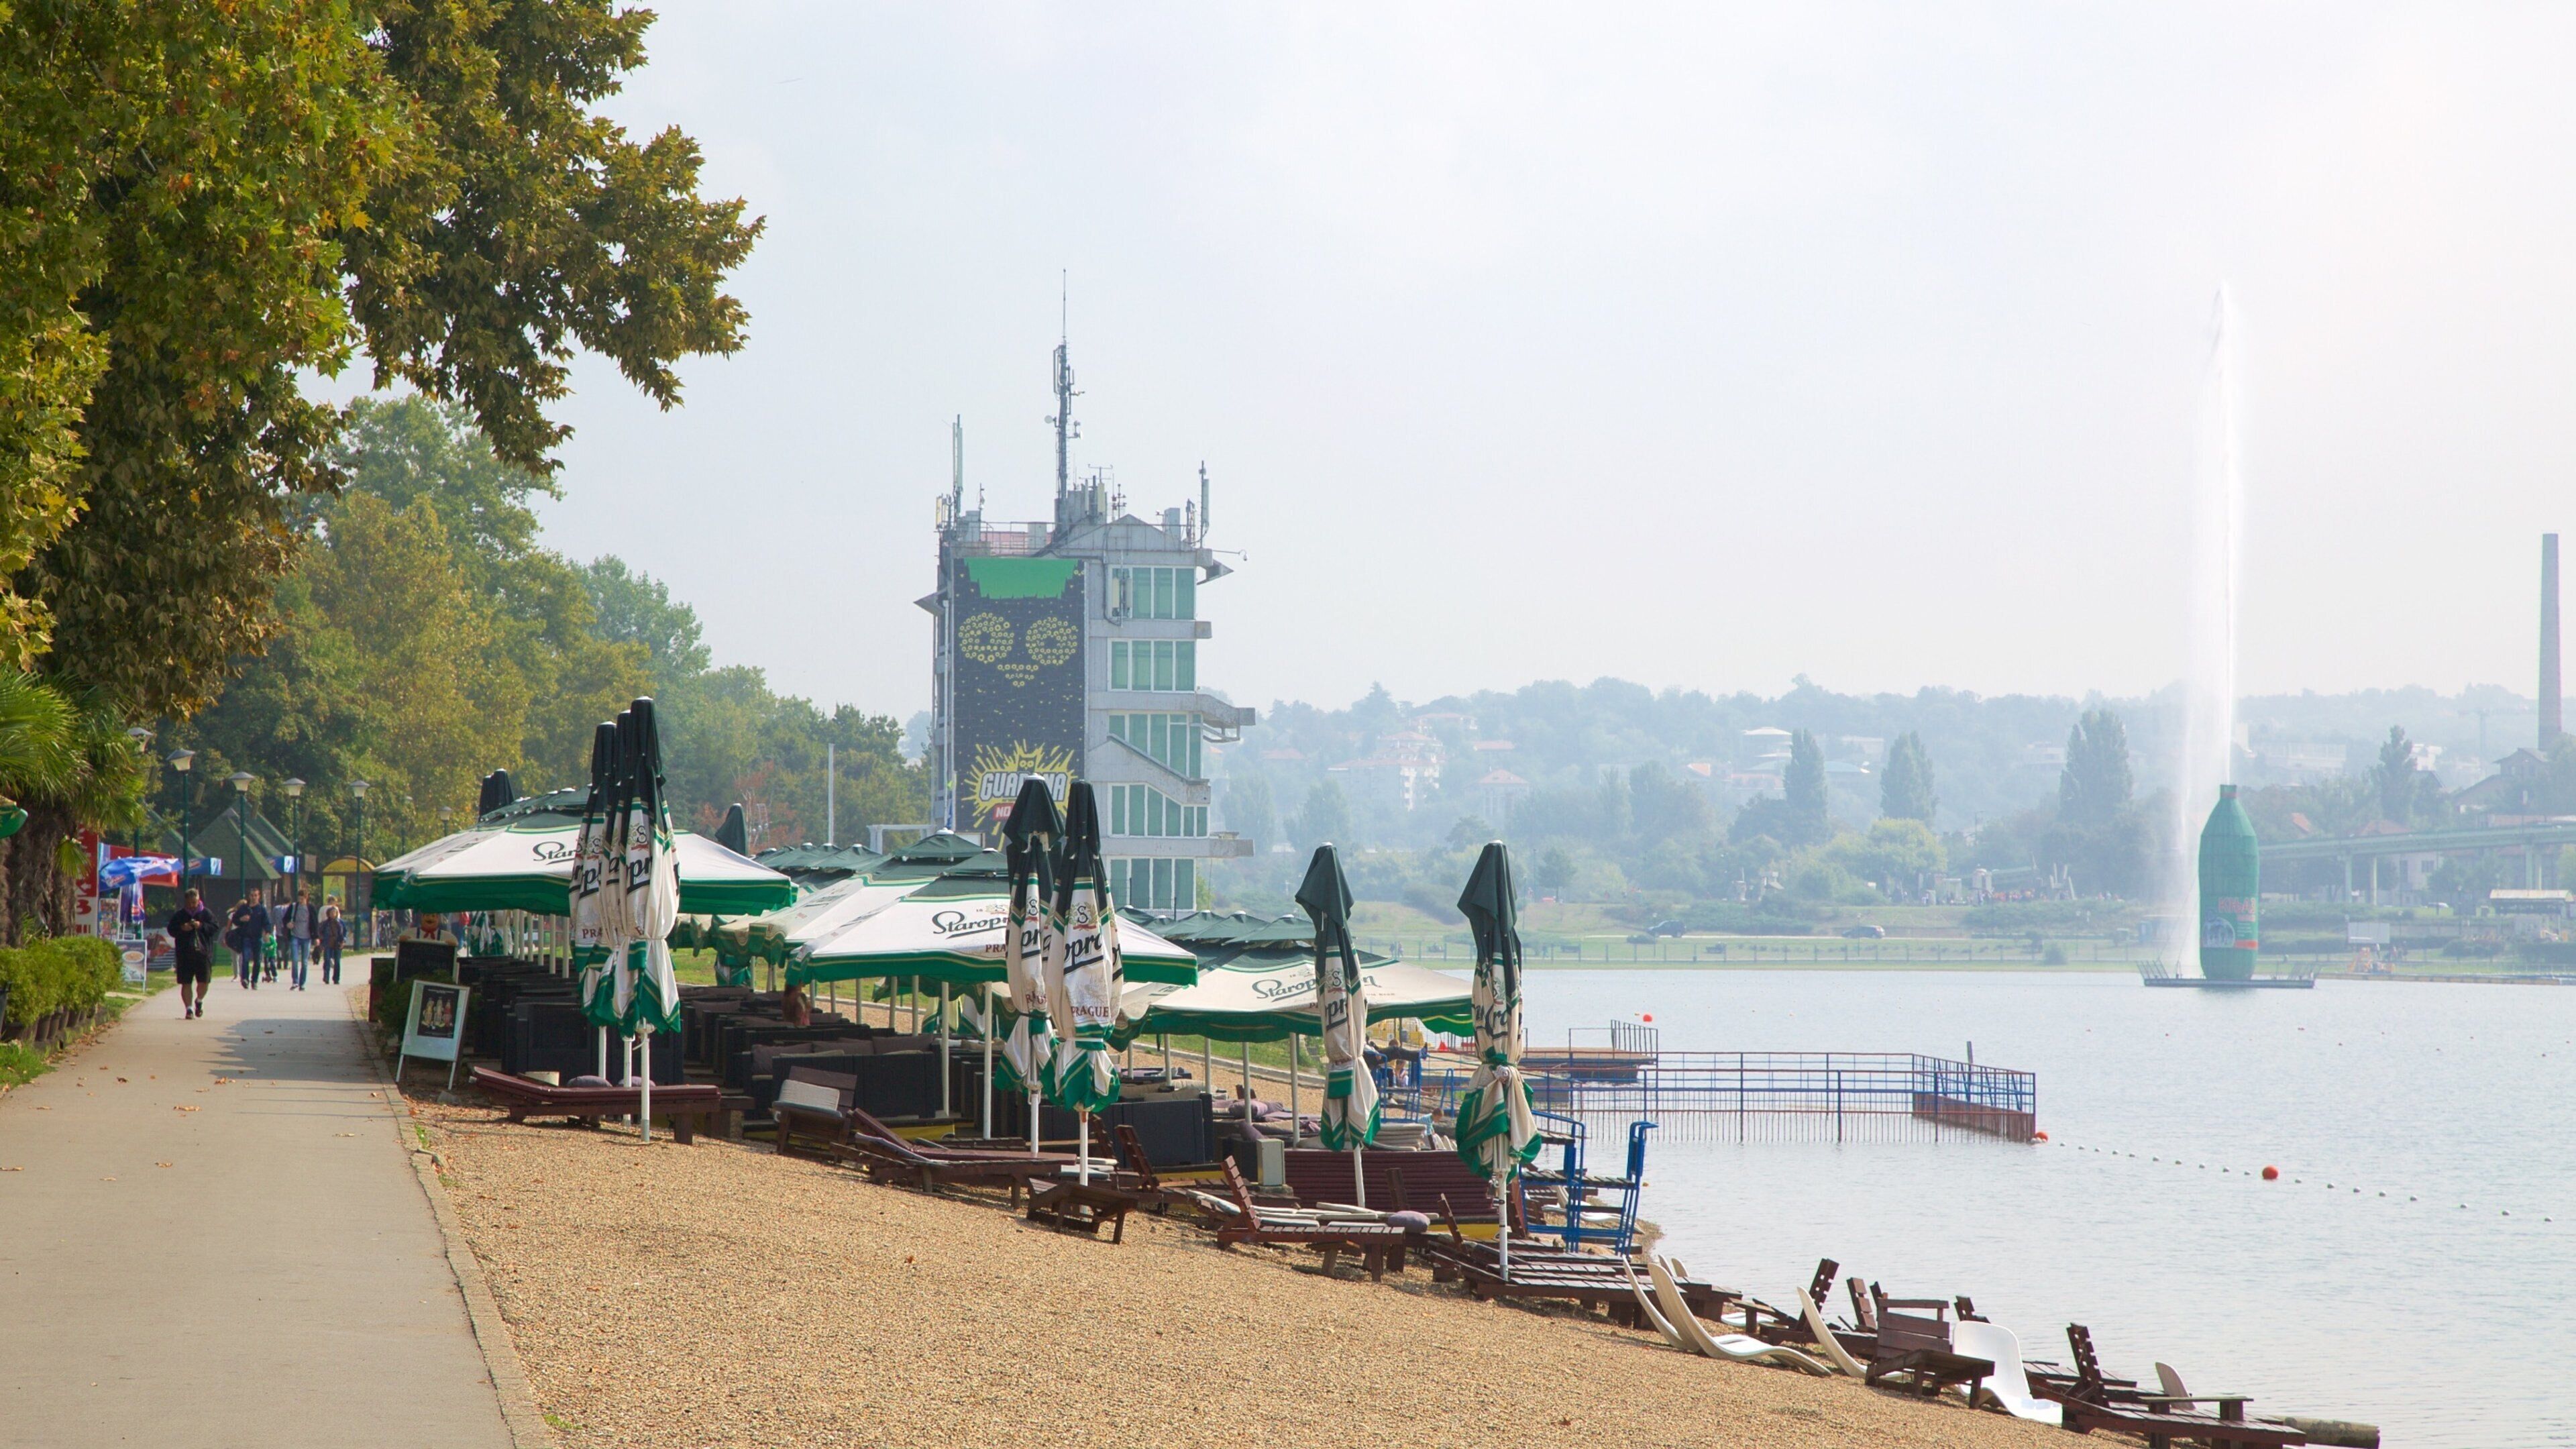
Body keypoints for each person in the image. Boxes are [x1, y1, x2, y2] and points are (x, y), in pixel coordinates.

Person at [166, 889, 217, 1019]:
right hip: (185, 954)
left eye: (194, 902)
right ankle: (189, 1009)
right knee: (186, 982)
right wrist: (182, 928)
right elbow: (171, 930)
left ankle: (199, 1000)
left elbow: (214, 928)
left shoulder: (206, 913)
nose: (192, 905)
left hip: (203, 954)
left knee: (204, 982)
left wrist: (201, 925)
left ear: (198, 900)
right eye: (189, 903)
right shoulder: (180, 915)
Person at [278, 890, 314, 990]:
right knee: (294, 959)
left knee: (305, 961)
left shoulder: (310, 908)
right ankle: (295, 981)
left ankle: (302, 983)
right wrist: (288, 924)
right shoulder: (294, 907)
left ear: (306, 898)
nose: (300, 900)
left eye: (302, 899)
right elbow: (285, 919)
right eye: (299, 898)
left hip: (307, 937)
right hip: (295, 936)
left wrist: (316, 938)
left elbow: (315, 923)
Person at [317, 902, 345, 985]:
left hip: (338, 943)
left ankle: (336, 978)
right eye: (331, 913)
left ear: (337, 914)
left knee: (337, 962)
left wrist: (343, 941)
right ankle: (326, 977)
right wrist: (321, 940)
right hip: (328, 943)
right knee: (327, 960)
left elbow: (344, 933)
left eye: (334, 913)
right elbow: (320, 932)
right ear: (328, 914)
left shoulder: (340, 923)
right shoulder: (325, 923)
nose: (333, 914)